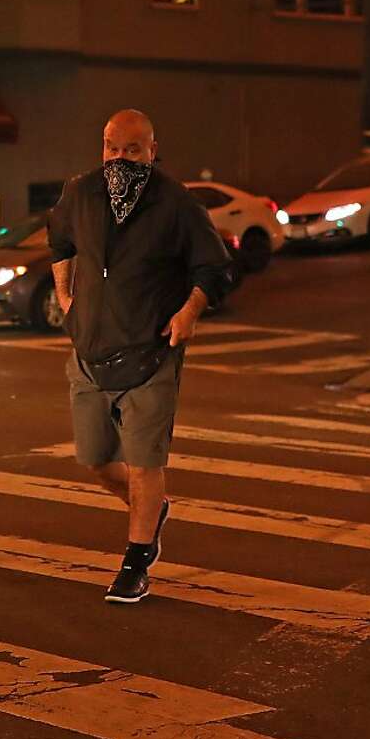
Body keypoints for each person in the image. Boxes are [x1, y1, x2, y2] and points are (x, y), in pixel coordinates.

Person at [48, 109, 233, 606]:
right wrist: (66, 300)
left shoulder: (176, 204)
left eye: (132, 150)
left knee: (145, 463)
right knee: (95, 458)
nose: (120, 158)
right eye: (112, 147)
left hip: (153, 351)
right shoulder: (80, 193)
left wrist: (189, 312)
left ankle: (136, 559)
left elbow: (213, 268)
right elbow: (59, 243)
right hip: (90, 348)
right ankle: (153, 510)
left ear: (152, 150)